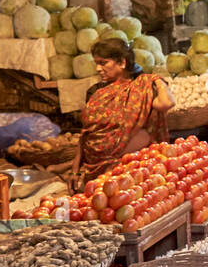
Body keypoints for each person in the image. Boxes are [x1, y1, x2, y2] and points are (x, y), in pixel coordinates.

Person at [70, 38, 173, 188]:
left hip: (128, 173)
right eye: (96, 63)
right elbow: (86, 135)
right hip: (94, 172)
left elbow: (166, 103)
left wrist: (157, 80)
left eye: (103, 63)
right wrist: (75, 170)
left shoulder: (141, 89)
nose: (98, 69)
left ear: (122, 63)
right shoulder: (95, 92)